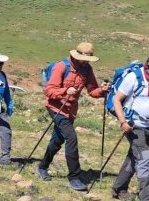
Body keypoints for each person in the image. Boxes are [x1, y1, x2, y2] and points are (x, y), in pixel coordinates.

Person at [37, 42, 109, 191]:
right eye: (84, 59)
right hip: (56, 107)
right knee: (71, 138)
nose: (86, 62)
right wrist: (65, 91)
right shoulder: (61, 66)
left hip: (71, 110)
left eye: (88, 59)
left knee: (57, 140)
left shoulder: (87, 69)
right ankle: (74, 177)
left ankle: (42, 167)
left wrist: (102, 91)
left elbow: (92, 90)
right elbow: (49, 91)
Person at [111, 49, 149, 201]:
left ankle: (118, 189)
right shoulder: (134, 77)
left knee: (134, 156)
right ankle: (148, 200)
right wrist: (122, 121)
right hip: (134, 125)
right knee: (144, 159)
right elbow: (117, 99)